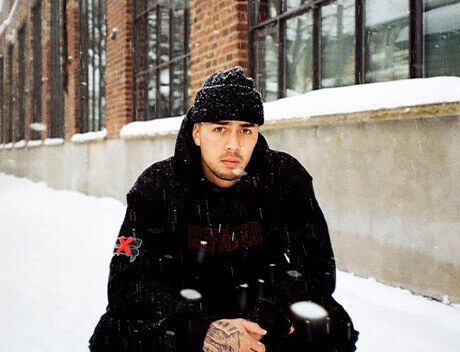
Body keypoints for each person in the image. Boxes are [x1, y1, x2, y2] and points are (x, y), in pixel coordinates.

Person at [89, 66, 358, 352]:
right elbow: (125, 283)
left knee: (331, 326)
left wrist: (264, 319)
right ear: (197, 133)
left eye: (245, 130)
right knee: (113, 333)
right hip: (185, 310)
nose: (234, 145)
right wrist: (200, 329)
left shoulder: (285, 178)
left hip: (261, 308)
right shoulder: (157, 187)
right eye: (220, 129)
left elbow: (318, 269)